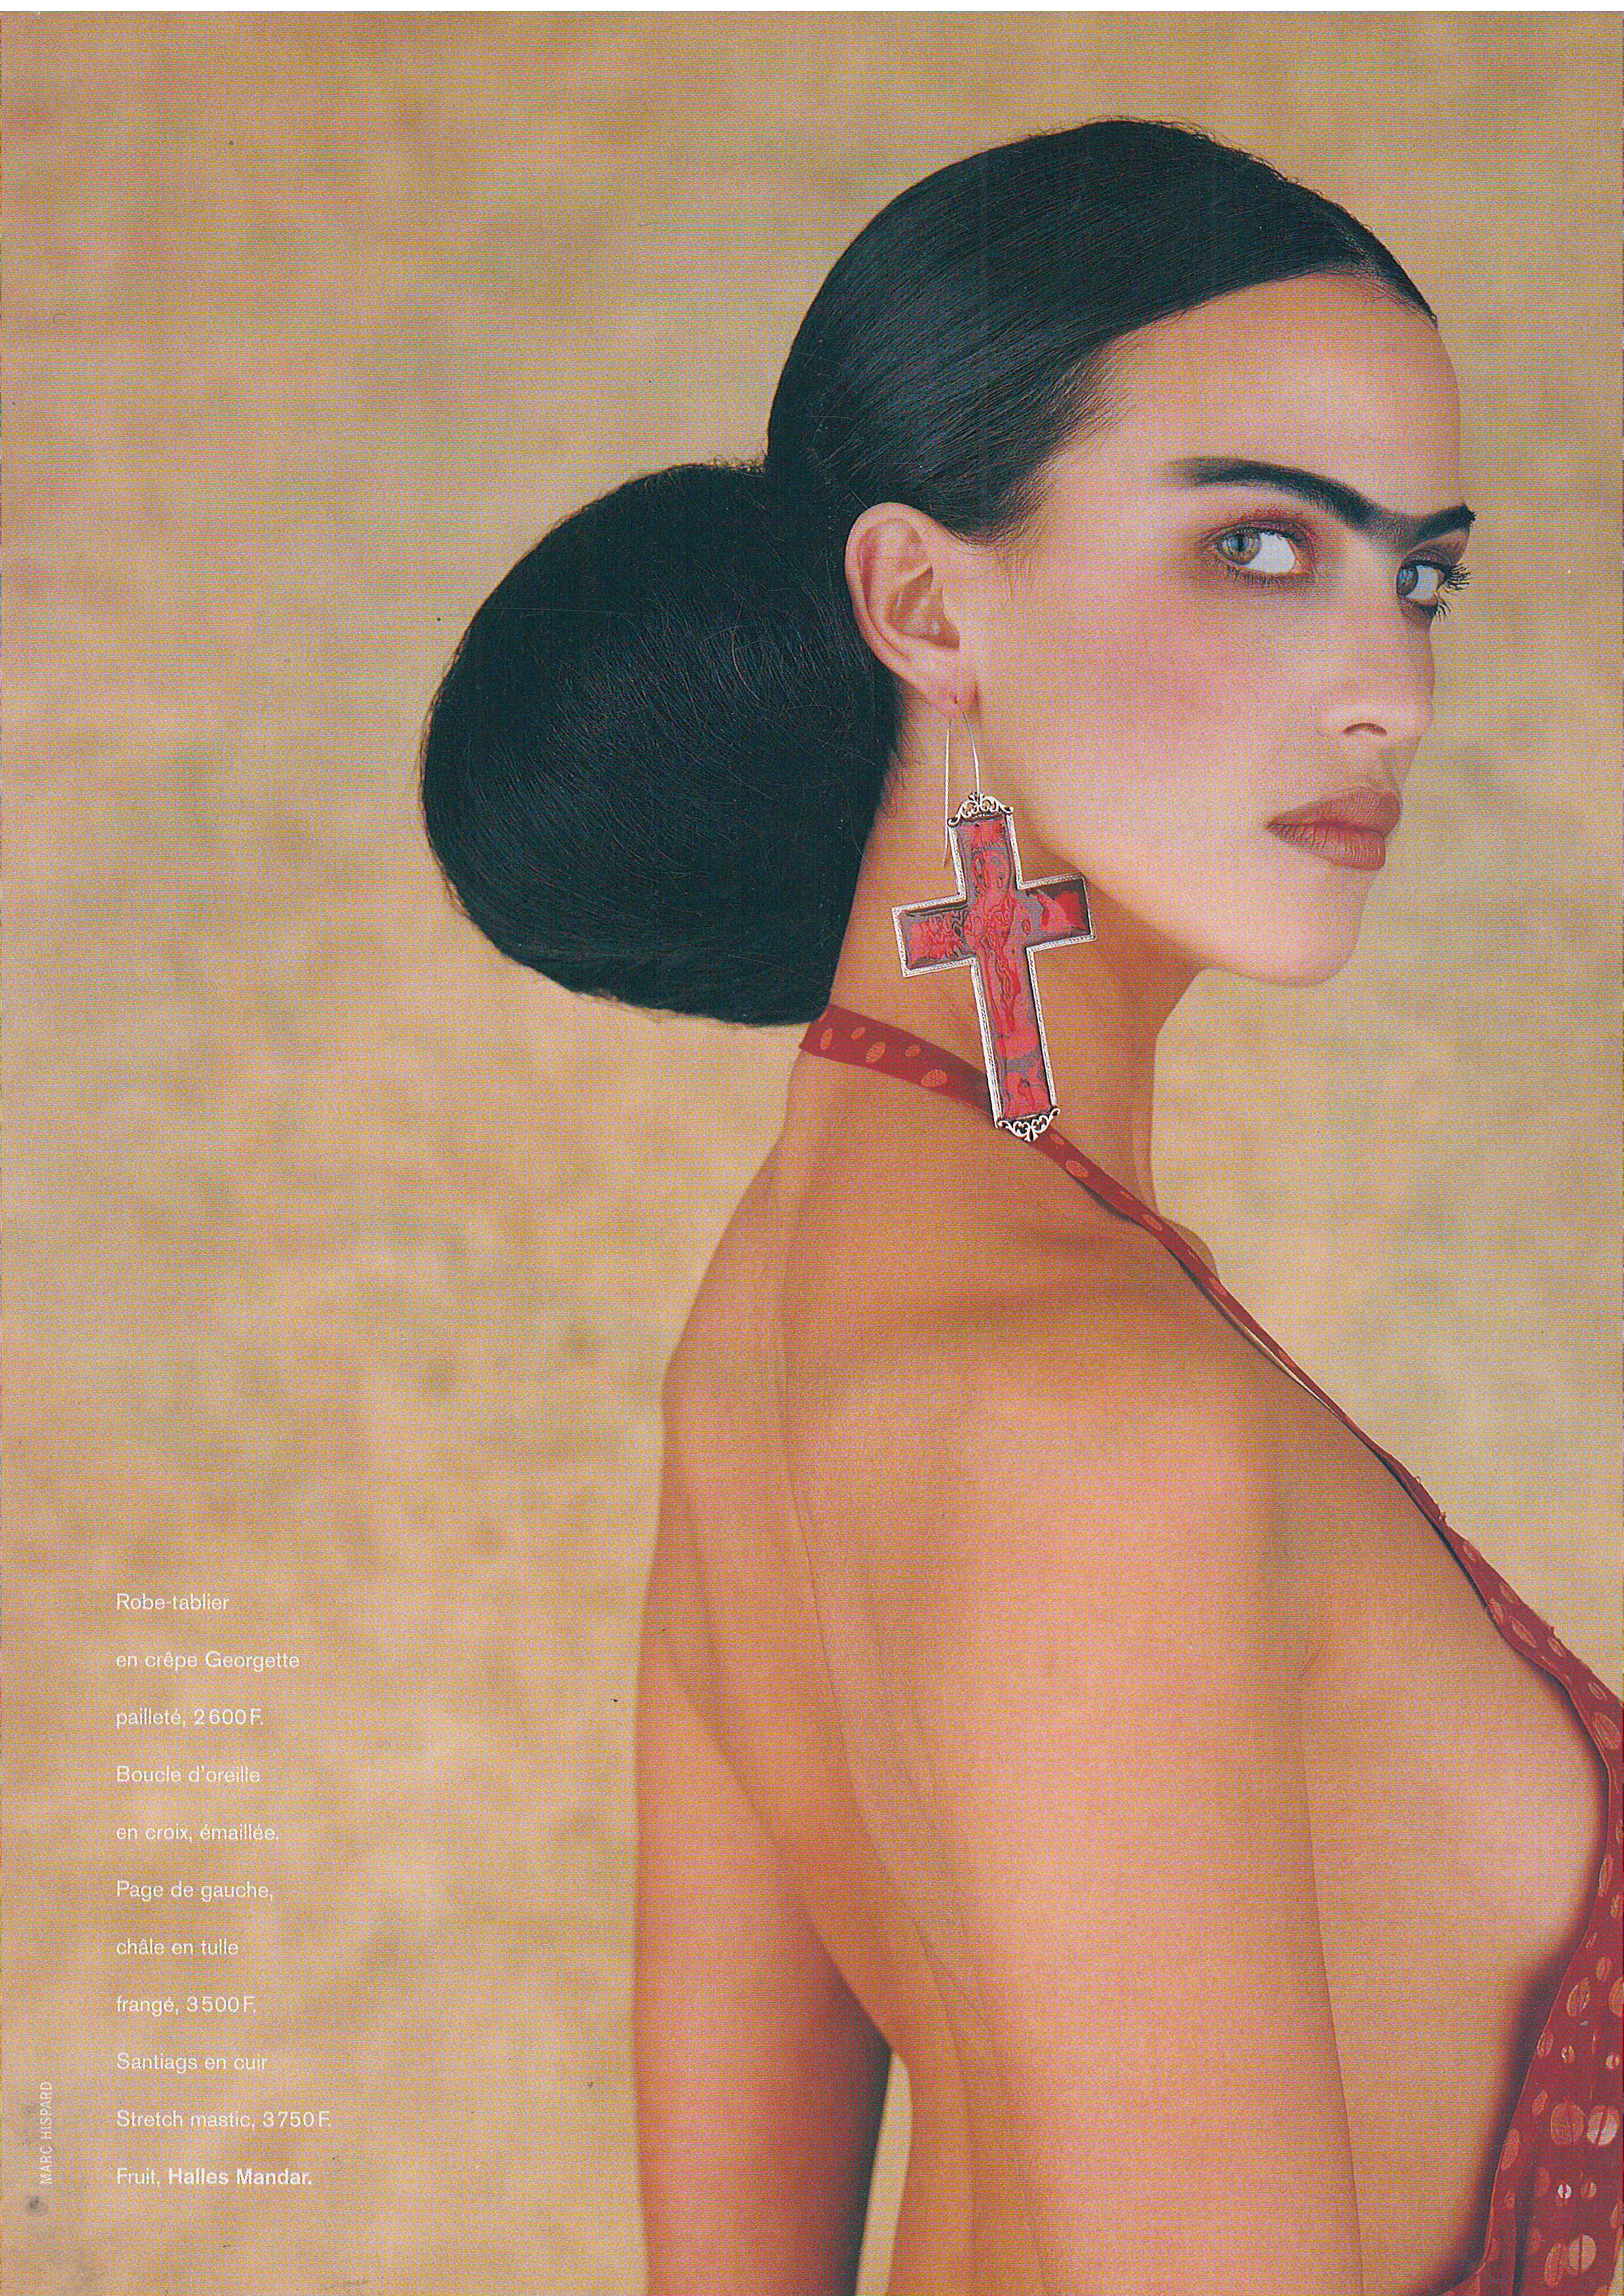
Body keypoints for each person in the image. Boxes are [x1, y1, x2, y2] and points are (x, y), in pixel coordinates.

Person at [418, 118, 1622, 2296]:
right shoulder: (1088, 1412)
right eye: (1262, 546)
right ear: (921, 603)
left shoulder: (776, 1332)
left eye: (1419, 575)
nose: (1393, 687)